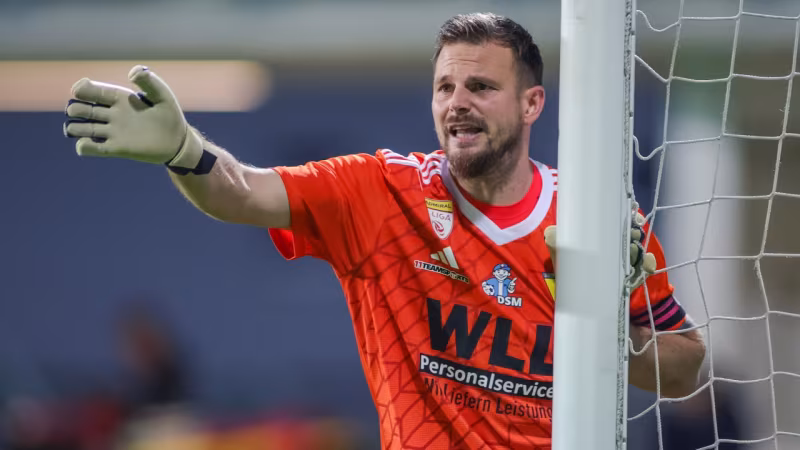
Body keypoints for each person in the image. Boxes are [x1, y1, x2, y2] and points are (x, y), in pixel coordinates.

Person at [63, 12, 706, 449]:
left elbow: (684, 369)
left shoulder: (594, 218)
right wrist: (184, 150)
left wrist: (596, 327)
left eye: (481, 86)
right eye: (445, 87)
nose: (458, 102)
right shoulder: (380, 191)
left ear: (530, 103)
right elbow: (242, 193)